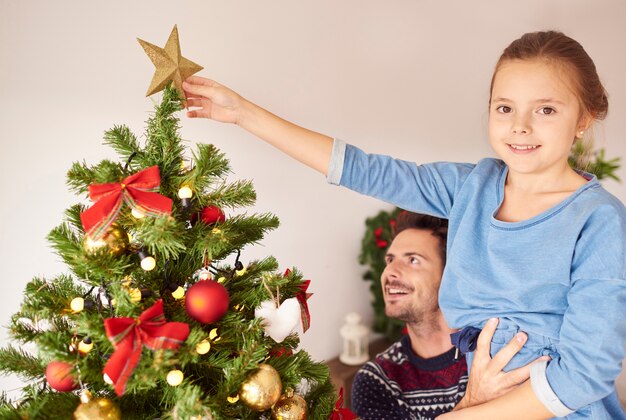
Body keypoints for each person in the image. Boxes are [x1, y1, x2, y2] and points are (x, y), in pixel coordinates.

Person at [183, 30, 626, 418]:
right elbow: (364, 169)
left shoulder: (598, 220)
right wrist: (243, 113)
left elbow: (586, 375)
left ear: (583, 118)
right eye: (504, 108)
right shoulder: (474, 187)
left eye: (546, 110)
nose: (521, 127)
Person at [351, 211, 545, 419]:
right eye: (390, 260)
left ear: (451, 275)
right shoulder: (377, 381)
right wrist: (473, 402)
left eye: (413, 260)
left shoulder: (498, 348)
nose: (390, 272)